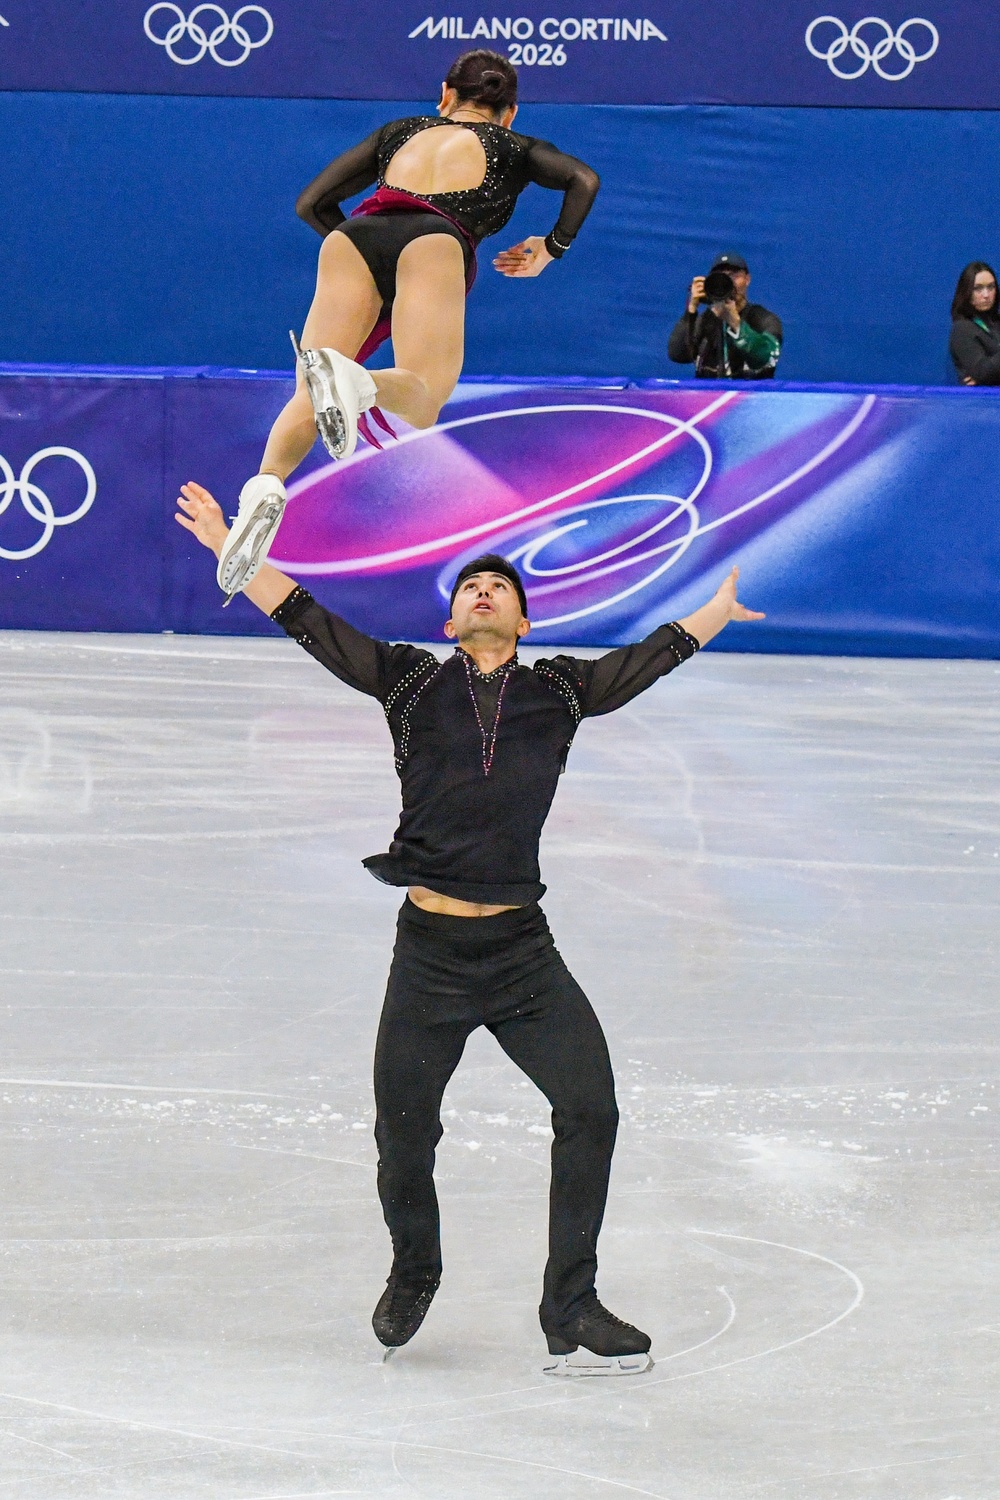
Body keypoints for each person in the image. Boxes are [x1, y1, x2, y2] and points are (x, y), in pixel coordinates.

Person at [175, 478, 764, 1376]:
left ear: (523, 623)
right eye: (469, 588)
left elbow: (640, 664)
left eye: (502, 588)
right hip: (430, 958)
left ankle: (570, 1300)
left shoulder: (560, 691)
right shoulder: (410, 680)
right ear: (452, 623)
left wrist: (711, 616)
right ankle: (416, 1269)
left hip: (523, 957)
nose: (484, 591)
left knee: (590, 1107)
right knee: (402, 1132)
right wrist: (233, 543)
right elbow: (306, 619)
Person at [216, 49, 600, 603]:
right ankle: (355, 383)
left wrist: (367, 262)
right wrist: (551, 248)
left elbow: (312, 203)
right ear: (510, 112)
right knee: (423, 395)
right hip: (433, 241)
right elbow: (583, 180)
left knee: (307, 394)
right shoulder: (516, 148)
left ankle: (262, 490)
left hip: (356, 237)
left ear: (445, 95)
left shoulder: (400, 131)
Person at [668, 253, 782, 380]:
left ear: (747, 279)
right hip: (709, 397)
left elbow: (766, 359)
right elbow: (678, 355)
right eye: (721, 276)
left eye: (734, 275)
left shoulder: (764, 319)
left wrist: (735, 323)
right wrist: (691, 310)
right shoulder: (706, 320)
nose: (729, 282)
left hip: (751, 397)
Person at [949, 261, 1000, 386]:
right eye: (978, 288)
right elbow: (982, 372)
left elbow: (986, 374)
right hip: (984, 403)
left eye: (991, 287)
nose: (986, 295)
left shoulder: (997, 322)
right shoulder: (962, 329)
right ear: (966, 292)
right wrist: (985, 376)